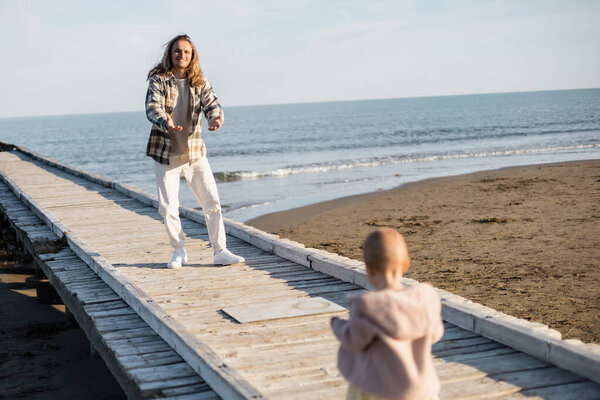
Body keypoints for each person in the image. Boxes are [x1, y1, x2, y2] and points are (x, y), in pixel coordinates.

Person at [145, 34, 244, 268]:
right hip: (166, 152)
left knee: (212, 202)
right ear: (170, 53)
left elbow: (212, 103)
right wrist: (165, 121)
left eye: (186, 52)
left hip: (195, 152)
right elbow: (152, 107)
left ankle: (220, 250)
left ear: (192, 56)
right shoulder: (159, 79)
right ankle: (178, 251)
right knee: (168, 207)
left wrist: (216, 118)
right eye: (178, 51)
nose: (182, 55)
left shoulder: (199, 80)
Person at [331, 228, 444, 400]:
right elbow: (436, 334)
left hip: (382, 391)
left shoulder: (370, 307)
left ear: (369, 269)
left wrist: (338, 325)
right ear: (406, 264)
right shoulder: (424, 301)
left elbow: (353, 341)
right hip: (422, 390)